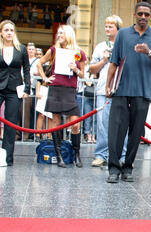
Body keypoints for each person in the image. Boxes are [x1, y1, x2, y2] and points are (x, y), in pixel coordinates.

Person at [105, 2, 151, 183]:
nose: (143, 17)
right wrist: (108, 85)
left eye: (147, 14)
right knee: (116, 131)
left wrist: (149, 52)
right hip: (121, 90)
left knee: (135, 132)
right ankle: (113, 169)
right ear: (134, 14)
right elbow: (114, 62)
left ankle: (128, 167)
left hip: (142, 92)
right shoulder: (122, 34)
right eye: (140, 14)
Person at [36, 24, 86, 168]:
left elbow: (83, 74)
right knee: (55, 122)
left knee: (76, 123)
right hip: (56, 88)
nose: (59, 35)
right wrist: (45, 78)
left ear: (69, 34)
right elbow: (39, 63)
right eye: (58, 33)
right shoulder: (53, 50)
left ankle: (77, 154)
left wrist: (75, 68)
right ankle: (59, 156)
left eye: (61, 33)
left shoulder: (79, 52)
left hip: (70, 90)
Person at [89, 15, 127, 167]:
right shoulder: (100, 46)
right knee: (102, 124)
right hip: (103, 90)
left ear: (118, 27)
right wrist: (104, 60)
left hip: (122, 90)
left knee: (122, 123)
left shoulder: (125, 45)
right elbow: (91, 69)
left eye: (110, 26)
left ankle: (122, 155)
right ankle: (101, 155)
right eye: (106, 26)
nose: (107, 29)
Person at [0, 20, 30, 166]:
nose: (9, 33)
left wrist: (27, 88)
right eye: (6, 30)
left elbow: (26, 69)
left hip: (14, 90)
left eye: (11, 30)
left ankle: (7, 158)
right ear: (1, 33)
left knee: (10, 124)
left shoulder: (21, 49)